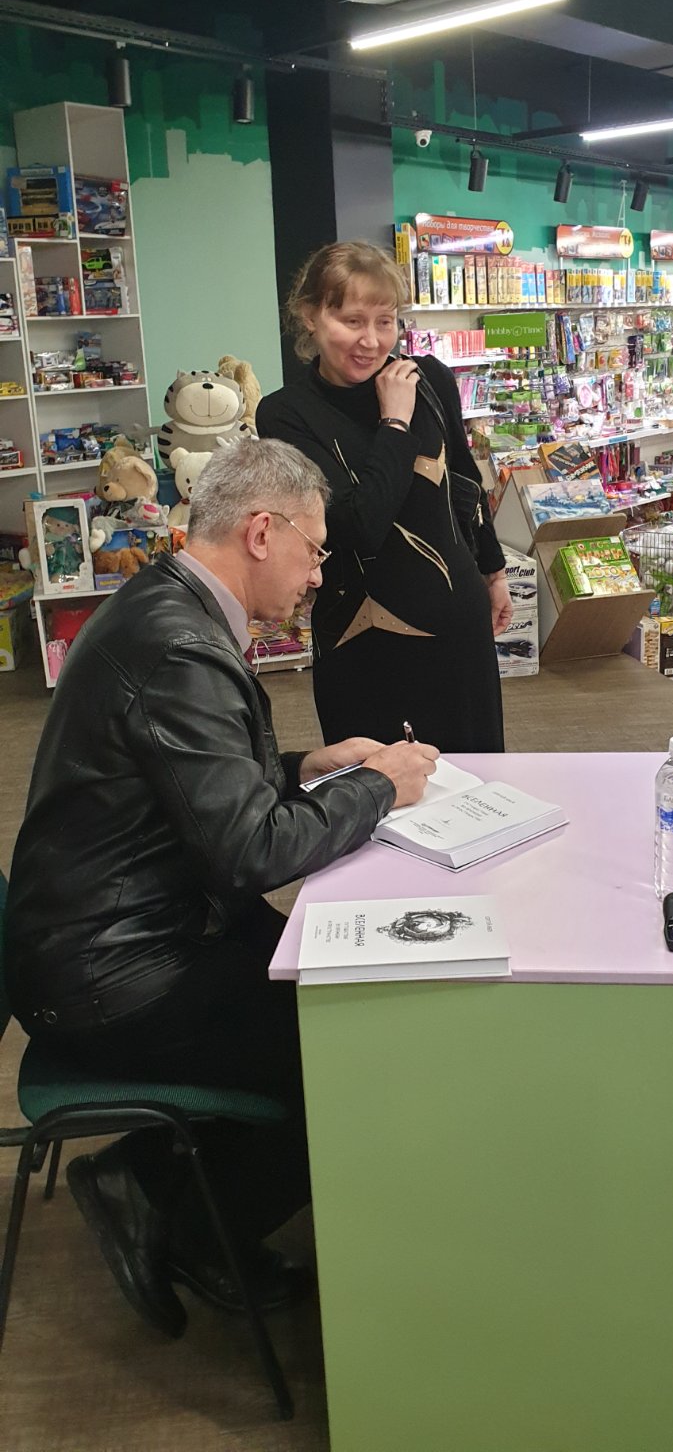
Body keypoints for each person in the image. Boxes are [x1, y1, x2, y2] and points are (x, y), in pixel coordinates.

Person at [4, 437, 437, 1336]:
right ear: (261, 531)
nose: (318, 575)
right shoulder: (180, 648)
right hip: (114, 974)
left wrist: (306, 766)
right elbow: (250, 851)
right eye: (315, 550)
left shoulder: (166, 606)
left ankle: (161, 1179)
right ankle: (181, 1216)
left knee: (324, 994)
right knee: (353, 1056)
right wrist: (375, 786)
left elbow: (195, 783)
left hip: (117, 934)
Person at [256, 241, 511, 753]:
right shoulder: (286, 414)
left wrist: (494, 571)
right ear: (310, 316)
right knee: (372, 781)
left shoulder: (429, 378)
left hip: (457, 627)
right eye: (351, 321)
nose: (370, 341)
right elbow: (355, 526)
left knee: (475, 776)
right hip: (360, 640)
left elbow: (464, 480)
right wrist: (394, 422)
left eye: (385, 321)